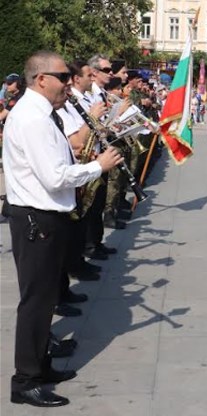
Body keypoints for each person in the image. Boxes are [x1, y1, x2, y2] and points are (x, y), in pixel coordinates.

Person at [4, 51, 123, 407]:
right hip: (36, 220)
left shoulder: (43, 114)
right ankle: (25, 381)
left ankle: (41, 366)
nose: (68, 83)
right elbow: (55, 176)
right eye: (62, 77)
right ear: (41, 79)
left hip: (45, 217)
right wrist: (97, 167)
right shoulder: (33, 119)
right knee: (37, 303)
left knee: (43, 299)